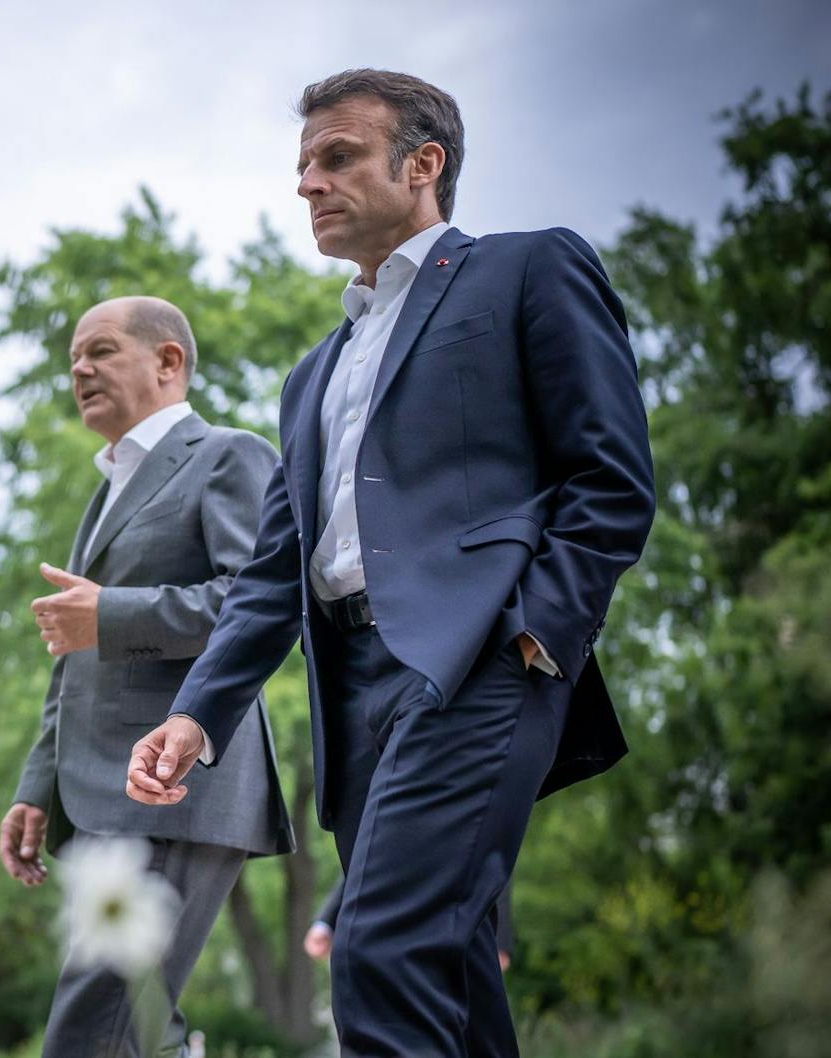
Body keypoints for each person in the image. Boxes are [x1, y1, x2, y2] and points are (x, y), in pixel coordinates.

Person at [124, 68, 654, 1058]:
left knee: (378, 949)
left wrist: (535, 636)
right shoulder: (310, 376)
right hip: (353, 693)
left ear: (422, 165)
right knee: (450, 973)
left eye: (337, 157)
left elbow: (610, 477)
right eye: (302, 165)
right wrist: (195, 715)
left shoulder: (526, 270)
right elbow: (273, 573)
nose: (307, 183)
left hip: (475, 661)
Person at [2, 295, 294, 1057]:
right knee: (141, 1031)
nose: (79, 370)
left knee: (92, 1034)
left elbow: (256, 600)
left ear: (168, 361)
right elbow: (74, 650)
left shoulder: (230, 454)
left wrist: (113, 614)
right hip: (98, 794)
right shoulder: (107, 491)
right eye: (73, 358)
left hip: (172, 788)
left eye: (100, 350)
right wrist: (38, 786)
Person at [307, 879, 514, 973]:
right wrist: (326, 921)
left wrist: (499, 940)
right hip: (385, 936)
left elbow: (494, 858)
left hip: (453, 933)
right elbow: (363, 854)